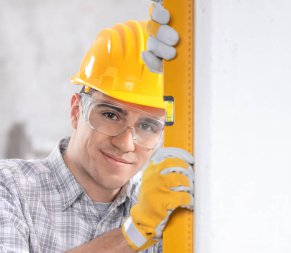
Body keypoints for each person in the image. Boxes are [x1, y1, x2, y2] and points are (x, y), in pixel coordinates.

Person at [0, 3, 194, 253]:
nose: (125, 143)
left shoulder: (169, 208)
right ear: (76, 110)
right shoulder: (9, 186)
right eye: (111, 115)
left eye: (147, 125)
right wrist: (133, 233)